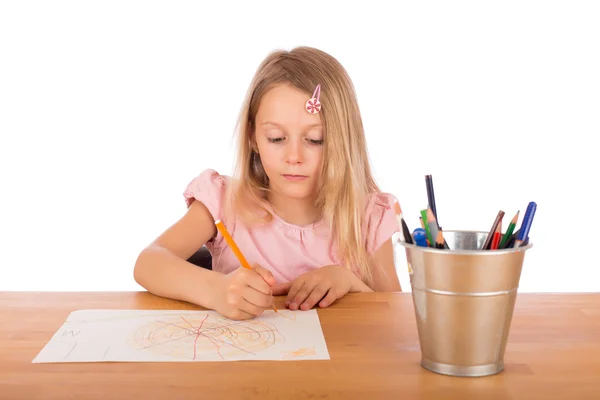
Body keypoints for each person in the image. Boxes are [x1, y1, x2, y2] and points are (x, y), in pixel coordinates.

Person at [134, 46, 402, 320]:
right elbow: (148, 263)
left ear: (344, 141)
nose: (294, 157)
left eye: (315, 140)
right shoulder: (223, 202)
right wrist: (217, 290)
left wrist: (351, 284)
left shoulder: (369, 218)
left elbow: (398, 321)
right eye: (276, 138)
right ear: (253, 138)